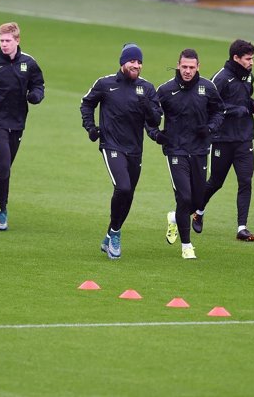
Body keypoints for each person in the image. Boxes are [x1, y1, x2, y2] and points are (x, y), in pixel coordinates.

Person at [80, 43, 162, 260]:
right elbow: (87, 104)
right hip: (111, 145)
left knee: (129, 195)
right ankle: (116, 234)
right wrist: (90, 127)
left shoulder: (147, 88)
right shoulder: (106, 84)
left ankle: (109, 233)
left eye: (139, 62)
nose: (136, 65)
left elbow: (155, 120)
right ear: (123, 63)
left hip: (135, 149)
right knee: (123, 187)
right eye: (132, 61)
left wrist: (146, 106)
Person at [149, 48, 224, 259]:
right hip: (175, 150)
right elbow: (149, 116)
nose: (188, 71)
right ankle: (186, 245)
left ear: (198, 67)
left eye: (192, 67)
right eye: (184, 67)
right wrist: (156, 134)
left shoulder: (208, 88)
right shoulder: (165, 90)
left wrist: (210, 129)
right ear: (178, 65)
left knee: (197, 201)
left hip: (200, 150)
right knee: (184, 196)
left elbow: (219, 111)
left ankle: (174, 218)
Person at [0, 22, 45, 231]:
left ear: (17, 40)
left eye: (8, 41)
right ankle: (1, 210)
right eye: (1, 41)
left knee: (3, 167)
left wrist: (35, 96)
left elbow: (38, 84)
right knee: (3, 164)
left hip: (17, 122)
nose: (4, 44)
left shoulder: (29, 63)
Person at [192, 39, 254, 242]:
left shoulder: (249, 78)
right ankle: (199, 210)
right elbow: (210, 107)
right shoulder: (221, 79)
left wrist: (253, 105)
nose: (252, 62)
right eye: (248, 59)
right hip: (222, 139)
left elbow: (245, 100)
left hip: (244, 139)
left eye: (252, 59)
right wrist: (237, 110)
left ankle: (242, 227)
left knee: (245, 181)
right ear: (236, 58)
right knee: (216, 182)